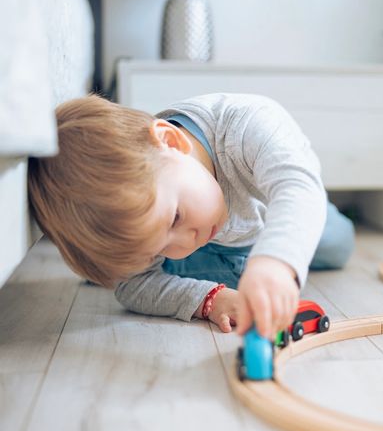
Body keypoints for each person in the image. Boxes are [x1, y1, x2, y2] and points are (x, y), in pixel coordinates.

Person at [28, 93, 355, 339]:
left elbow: (297, 188)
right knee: (135, 276)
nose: (185, 242)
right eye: (159, 247)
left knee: (336, 243)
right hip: (221, 254)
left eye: (174, 219)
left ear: (170, 141)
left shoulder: (248, 125)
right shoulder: (163, 214)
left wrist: (277, 262)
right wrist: (208, 299)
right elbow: (132, 288)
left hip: (272, 215)